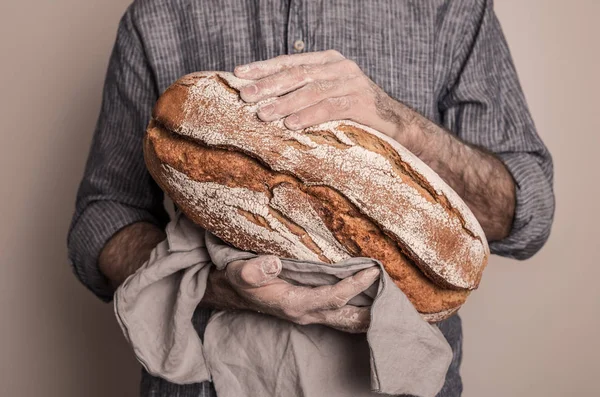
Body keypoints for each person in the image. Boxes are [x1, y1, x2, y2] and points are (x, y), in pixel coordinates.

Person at [67, 0, 555, 396]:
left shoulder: (450, 10)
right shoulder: (160, 14)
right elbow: (101, 219)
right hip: (206, 384)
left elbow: (526, 214)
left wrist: (398, 122)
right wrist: (216, 287)